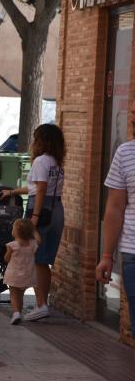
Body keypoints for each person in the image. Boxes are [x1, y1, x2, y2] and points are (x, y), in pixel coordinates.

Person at [1, 124, 65, 321]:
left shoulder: (40, 161)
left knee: (38, 259)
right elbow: (35, 187)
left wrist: (34, 217)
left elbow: (41, 190)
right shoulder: (55, 162)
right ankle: (42, 303)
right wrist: (12, 191)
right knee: (44, 259)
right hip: (56, 209)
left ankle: (41, 304)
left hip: (41, 210)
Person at [96, 101, 135, 335]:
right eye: (133, 114)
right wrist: (107, 256)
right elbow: (115, 208)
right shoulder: (126, 153)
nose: (132, 119)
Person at [3, 219, 40, 325]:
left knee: (14, 295)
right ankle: (18, 312)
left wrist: (7, 254)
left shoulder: (12, 245)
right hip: (27, 275)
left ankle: (16, 313)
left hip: (14, 275)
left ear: (15, 232)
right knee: (21, 295)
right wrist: (34, 230)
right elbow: (39, 241)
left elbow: (6, 259)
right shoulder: (32, 244)